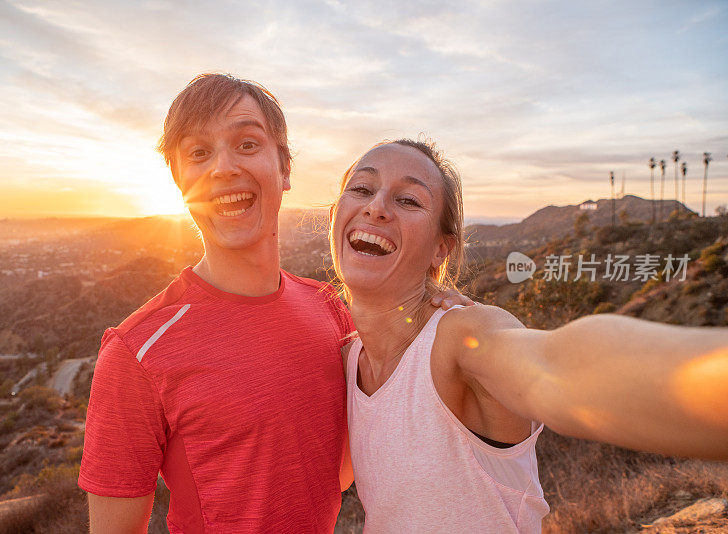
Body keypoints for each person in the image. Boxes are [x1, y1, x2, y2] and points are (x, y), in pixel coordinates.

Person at [78, 75, 468, 534]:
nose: (222, 167)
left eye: (246, 143)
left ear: (284, 168)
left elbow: (336, 471)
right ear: (179, 181)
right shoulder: (136, 351)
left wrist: (433, 311)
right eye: (198, 153)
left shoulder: (330, 311)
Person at [329, 138, 728, 532]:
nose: (376, 207)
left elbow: (556, 365)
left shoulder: (461, 335)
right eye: (362, 189)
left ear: (440, 250)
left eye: (409, 200)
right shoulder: (349, 361)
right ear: (335, 215)